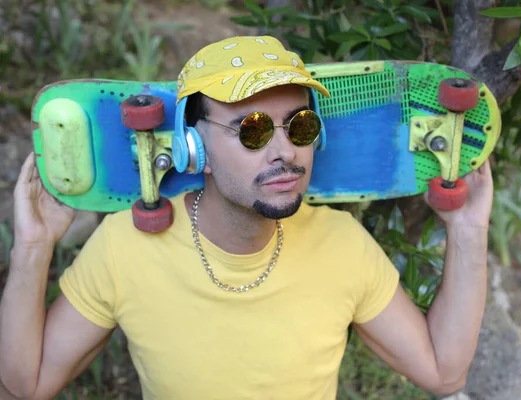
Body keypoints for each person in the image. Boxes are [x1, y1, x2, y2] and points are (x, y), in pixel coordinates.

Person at [0, 36, 493, 400]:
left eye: (301, 125)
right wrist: (33, 247)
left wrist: (469, 233)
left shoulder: (342, 246)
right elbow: (27, 383)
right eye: (251, 130)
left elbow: (443, 373)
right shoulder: (125, 247)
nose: (286, 151)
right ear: (196, 149)